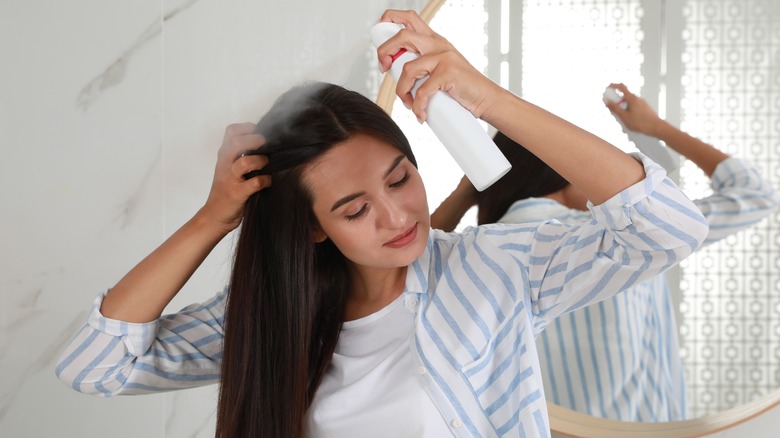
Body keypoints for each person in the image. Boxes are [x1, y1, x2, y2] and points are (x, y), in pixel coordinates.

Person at [55, 10, 708, 438]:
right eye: (353, 208)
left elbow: (669, 228)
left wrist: (485, 96)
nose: (397, 215)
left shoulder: (491, 269)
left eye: (400, 177)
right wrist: (213, 216)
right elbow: (96, 365)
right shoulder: (271, 314)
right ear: (312, 227)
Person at [432, 82, 779, 422]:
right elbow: (754, 195)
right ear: (563, 168)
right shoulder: (635, 229)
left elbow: (412, 270)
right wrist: (654, 128)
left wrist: (470, 188)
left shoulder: (481, 250)